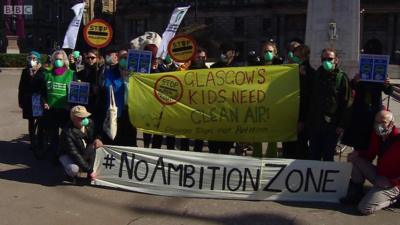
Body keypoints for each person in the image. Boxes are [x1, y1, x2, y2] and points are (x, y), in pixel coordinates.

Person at [341, 110, 400, 215]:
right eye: (376, 122)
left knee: (364, 208)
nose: (378, 125)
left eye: (382, 122)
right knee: (355, 159)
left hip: (392, 184)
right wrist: (357, 154)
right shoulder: (377, 135)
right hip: (379, 175)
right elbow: (369, 155)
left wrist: (392, 182)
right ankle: (356, 191)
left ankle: (394, 200)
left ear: (391, 123)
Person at [342, 46, 393, 153]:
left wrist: (387, 84)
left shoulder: (379, 75)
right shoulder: (359, 75)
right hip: (360, 111)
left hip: (375, 112)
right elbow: (351, 88)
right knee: (359, 141)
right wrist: (355, 81)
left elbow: (388, 91)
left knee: (376, 138)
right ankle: (358, 156)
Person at [307, 48, 352, 161]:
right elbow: (310, 99)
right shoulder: (316, 75)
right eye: (324, 59)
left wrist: (341, 125)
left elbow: (346, 103)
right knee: (313, 154)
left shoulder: (342, 77)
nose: (326, 61)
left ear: (336, 60)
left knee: (328, 155)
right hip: (316, 123)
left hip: (333, 125)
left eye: (330, 59)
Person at [281, 44, 315, 159]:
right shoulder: (293, 70)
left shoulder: (308, 73)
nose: (294, 58)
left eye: (297, 56)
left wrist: (301, 120)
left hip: (300, 118)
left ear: (304, 57)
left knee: (299, 148)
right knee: (288, 147)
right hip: (289, 116)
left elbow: (306, 98)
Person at [42, 49, 75, 160]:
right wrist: (45, 102)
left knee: (66, 135)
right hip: (51, 109)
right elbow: (42, 91)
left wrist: (70, 105)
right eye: (56, 59)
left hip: (65, 110)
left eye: (60, 59)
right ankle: (55, 154)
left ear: (64, 60)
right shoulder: (47, 74)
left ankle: (64, 153)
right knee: (53, 134)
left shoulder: (71, 74)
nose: (58, 61)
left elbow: (75, 92)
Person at [208, 42, 239, 154]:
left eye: (225, 51)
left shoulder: (239, 69)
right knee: (213, 148)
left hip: (230, 114)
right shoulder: (213, 67)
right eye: (221, 51)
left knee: (226, 148)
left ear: (233, 53)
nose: (223, 54)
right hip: (215, 113)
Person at [59, 105, 103, 181]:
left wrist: (98, 139)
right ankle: (67, 171)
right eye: (81, 117)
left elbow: (98, 132)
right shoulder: (67, 132)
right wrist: (90, 171)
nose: (84, 119)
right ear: (73, 118)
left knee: (96, 146)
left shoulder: (90, 123)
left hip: (82, 150)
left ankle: (88, 172)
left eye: (85, 116)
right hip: (68, 154)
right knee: (74, 169)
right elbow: (74, 154)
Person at [104, 49, 137, 147]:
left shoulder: (134, 73)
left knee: (130, 139)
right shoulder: (111, 72)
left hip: (131, 111)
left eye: (127, 58)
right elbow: (108, 87)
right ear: (118, 59)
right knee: (116, 137)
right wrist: (122, 79)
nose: (125, 60)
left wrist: (128, 79)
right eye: (123, 58)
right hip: (116, 111)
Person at [179, 49, 209, 152]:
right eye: (199, 57)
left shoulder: (208, 71)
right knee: (186, 132)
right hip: (187, 106)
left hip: (201, 107)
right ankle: (184, 150)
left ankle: (198, 152)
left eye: (203, 58)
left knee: (200, 133)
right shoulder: (186, 70)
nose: (201, 59)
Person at [18, 51, 46, 151]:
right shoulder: (25, 71)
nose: (31, 60)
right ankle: (32, 142)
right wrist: (20, 100)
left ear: (38, 60)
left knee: (40, 121)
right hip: (28, 99)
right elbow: (21, 87)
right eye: (30, 58)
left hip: (38, 100)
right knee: (31, 121)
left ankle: (40, 141)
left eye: (34, 58)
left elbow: (45, 86)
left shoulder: (43, 71)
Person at [77, 49, 106, 134]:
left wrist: (97, 88)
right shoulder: (83, 70)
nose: (90, 60)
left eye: (92, 58)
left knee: (95, 124)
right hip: (85, 101)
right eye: (88, 57)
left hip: (96, 102)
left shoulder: (100, 70)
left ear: (97, 58)